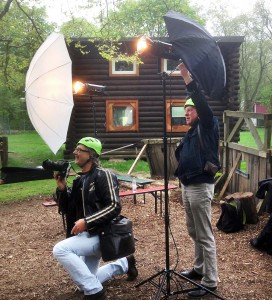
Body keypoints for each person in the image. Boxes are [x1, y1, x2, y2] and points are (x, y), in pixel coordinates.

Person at [52, 137, 138, 300]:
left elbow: (114, 206)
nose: (75, 152)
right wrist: (62, 188)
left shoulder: (103, 175)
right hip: (89, 235)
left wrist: (87, 221)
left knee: (60, 250)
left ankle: (96, 293)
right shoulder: (80, 180)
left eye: (79, 150)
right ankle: (125, 263)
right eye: (76, 149)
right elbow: (68, 210)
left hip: (104, 235)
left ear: (91, 154)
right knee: (84, 282)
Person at [175, 64, 220, 298]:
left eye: (190, 110)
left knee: (203, 233)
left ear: (199, 112)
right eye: (185, 110)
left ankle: (211, 281)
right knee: (193, 230)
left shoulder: (208, 124)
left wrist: (185, 75)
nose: (187, 113)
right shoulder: (190, 133)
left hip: (201, 185)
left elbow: (199, 100)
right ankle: (199, 268)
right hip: (187, 185)